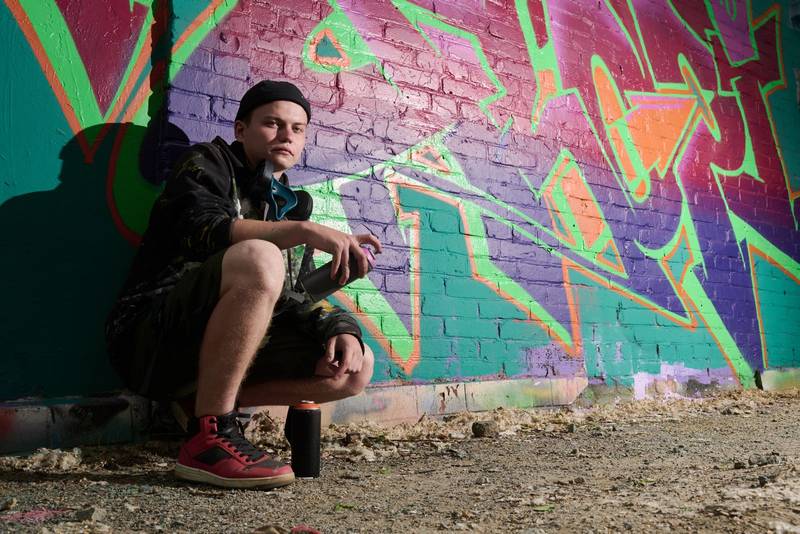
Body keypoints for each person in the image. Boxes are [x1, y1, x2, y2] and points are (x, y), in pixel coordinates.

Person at [106, 80, 381, 489]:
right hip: (150, 341)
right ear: (241, 129)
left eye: (297, 128)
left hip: (211, 354)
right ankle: (209, 438)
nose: (286, 135)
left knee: (355, 367)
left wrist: (339, 328)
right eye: (272, 123)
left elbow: (292, 298)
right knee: (259, 255)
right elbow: (203, 230)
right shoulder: (206, 163)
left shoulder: (288, 205)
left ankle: (197, 406)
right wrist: (301, 231)